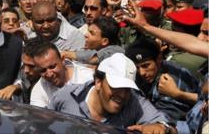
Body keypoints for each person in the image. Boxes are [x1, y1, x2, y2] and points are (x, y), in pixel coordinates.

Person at [49, 53, 177, 134]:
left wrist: (161, 128)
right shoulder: (66, 97)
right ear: (98, 82)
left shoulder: (135, 102)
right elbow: (43, 122)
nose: (122, 95)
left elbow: (168, 127)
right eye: (116, 87)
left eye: (127, 88)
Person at [126, 37, 199, 123]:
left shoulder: (171, 80)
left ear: (159, 59)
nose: (142, 73)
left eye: (146, 65)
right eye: (137, 67)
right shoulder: (137, 75)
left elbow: (166, 120)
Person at [30, 41, 93, 108]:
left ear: (62, 60)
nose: (49, 74)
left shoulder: (87, 78)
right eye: (43, 70)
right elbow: (38, 116)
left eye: (52, 67)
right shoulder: (40, 88)